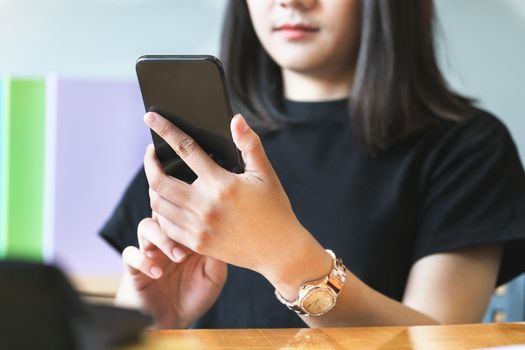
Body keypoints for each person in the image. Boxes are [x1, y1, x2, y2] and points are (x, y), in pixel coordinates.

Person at [100, 0, 525, 329]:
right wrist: (159, 324)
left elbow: (440, 343)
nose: (292, 1)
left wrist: (284, 256)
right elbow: (136, 318)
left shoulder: (468, 148)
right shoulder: (199, 143)